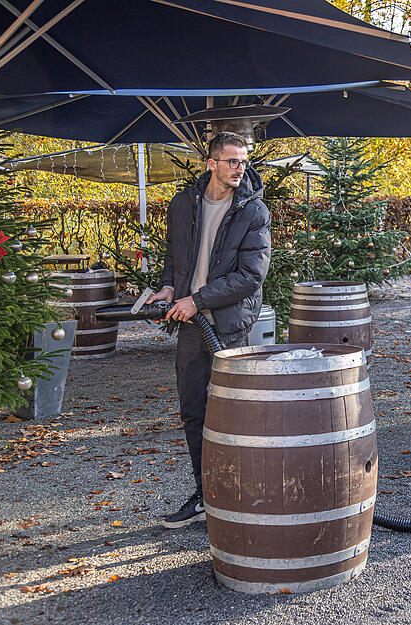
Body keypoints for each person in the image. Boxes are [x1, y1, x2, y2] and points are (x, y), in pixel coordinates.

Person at [148, 131, 271, 528]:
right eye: (232, 161)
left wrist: (197, 300)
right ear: (211, 164)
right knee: (193, 411)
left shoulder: (254, 211)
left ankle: (241, 493)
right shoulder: (183, 205)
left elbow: (251, 276)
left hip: (228, 327)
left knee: (231, 414)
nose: (240, 168)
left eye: (244, 161)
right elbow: (174, 254)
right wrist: (168, 287)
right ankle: (206, 494)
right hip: (190, 324)